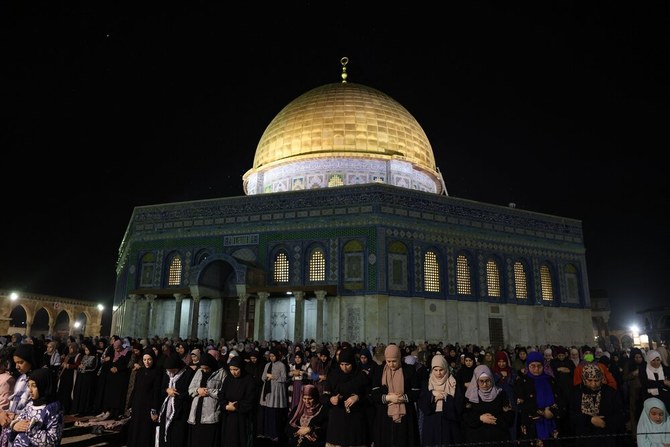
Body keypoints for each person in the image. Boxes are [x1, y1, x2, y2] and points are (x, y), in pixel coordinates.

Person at [371, 344, 421, 447]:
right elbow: (375, 394)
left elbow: (416, 392)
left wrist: (401, 398)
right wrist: (388, 398)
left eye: (394, 361)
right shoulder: (379, 370)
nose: (391, 364)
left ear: (399, 358)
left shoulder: (409, 370)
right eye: (389, 361)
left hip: (405, 415)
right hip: (384, 416)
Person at [568, 362, 625, 447]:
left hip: (606, 437)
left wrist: (605, 422)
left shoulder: (610, 392)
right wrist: (590, 420)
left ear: (601, 379)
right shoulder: (576, 392)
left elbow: (619, 414)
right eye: (590, 380)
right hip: (584, 438)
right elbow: (571, 414)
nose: (593, 384)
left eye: (596, 380)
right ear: (584, 379)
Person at [322, 347, 370, 447]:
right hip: (337, 423)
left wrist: (358, 397)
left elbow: (369, 396)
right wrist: (331, 400)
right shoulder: (333, 376)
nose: (344, 368)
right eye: (342, 364)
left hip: (355, 423)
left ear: (352, 363)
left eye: (347, 364)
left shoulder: (361, 376)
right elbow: (324, 397)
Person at [515, 350, 563, 444]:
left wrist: (552, 411)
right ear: (528, 366)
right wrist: (542, 413)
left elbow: (561, 399)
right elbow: (520, 403)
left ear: (543, 366)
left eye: (539, 366)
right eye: (533, 366)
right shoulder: (521, 382)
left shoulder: (551, 380)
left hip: (551, 425)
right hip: (531, 426)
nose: (536, 369)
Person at [8, 368, 63, 447]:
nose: (30, 390)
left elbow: (53, 441)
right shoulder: (30, 404)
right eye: (28, 386)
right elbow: (20, 418)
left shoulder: (54, 409)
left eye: (34, 386)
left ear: (44, 385)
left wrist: (32, 429)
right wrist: (15, 425)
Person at [418, 353, 464, 446]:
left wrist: (446, 397)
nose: (438, 373)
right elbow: (422, 404)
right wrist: (433, 396)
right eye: (435, 370)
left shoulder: (453, 383)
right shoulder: (426, 384)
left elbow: (459, 405)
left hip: (449, 424)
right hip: (431, 423)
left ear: (446, 369)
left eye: (441, 370)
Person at [463, 364, 514, 444]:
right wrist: (480, 418)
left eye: (487, 380)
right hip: (477, 438)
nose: (485, 384)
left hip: (498, 438)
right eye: (481, 381)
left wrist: (494, 419)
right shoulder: (470, 396)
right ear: (476, 381)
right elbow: (466, 416)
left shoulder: (500, 394)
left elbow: (509, 415)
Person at [0, 344, 36, 447]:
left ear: (30, 360)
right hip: (13, 425)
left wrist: (14, 420)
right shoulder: (21, 378)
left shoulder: (39, 380)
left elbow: (36, 409)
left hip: (25, 428)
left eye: (21, 362)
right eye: (15, 363)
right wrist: (3, 414)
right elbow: (13, 404)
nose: (17, 366)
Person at [126, 347, 163, 447]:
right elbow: (136, 388)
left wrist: (154, 410)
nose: (147, 362)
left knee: (145, 430)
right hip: (138, 405)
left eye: (149, 359)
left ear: (153, 359)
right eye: (145, 360)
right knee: (136, 428)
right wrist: (131, 404)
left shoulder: (157, 371)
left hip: (148, 406)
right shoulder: (141, 371)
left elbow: (157, 391)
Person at [156, 351, 195, 447]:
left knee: (177, 437)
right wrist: (167, 390)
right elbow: (161, 388)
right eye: (169, 370)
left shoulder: (188, 373)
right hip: (167, 410)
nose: (171, 372)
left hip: (181, 411)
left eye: (173, 370)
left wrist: (177, 394)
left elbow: (191, 393)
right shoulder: (167, 373)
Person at [187, 352, 226, 446]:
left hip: (210, 413)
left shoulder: (221, 373)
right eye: (202, 368)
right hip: (196, 412)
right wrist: (198, 390)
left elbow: (224, 392)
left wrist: (209, 391)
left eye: (206, 368)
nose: (204, 371)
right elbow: (190, 389)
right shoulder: (199, 371)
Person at [220, 356, 257, 447]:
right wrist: (225, 406)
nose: (233, 372)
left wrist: (236, 406)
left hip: (242, 418)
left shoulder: (249, 380)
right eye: (231, 369)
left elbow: (251, 399)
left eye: (236, 369)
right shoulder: (228, 379)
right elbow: (221, 395)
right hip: (228, 417)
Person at [257, 348, 289, 443]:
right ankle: (266, 433)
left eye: (273, 356)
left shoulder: (281, 365)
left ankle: (274, 434)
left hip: (276, 391)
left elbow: (284, 378)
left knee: (274, 413)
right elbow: (263, 377)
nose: (271, 358)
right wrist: (266, 377)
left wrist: (273, 377)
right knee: (267, 412)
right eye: (270, 356)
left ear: (277, 356)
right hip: (267, 390)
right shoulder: (267, 365)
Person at [70, 341, 98, 416]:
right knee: (80, 393)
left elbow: (94, 368)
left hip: (88, 379)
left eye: (87, 350)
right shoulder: (84, 356)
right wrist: (80, 367)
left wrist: (85, 367)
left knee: (86, 394)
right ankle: (78, 409)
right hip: (82, 378)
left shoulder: (94, 357)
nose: (86, 352)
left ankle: (85, 410)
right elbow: (81, 364)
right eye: (85, 350)